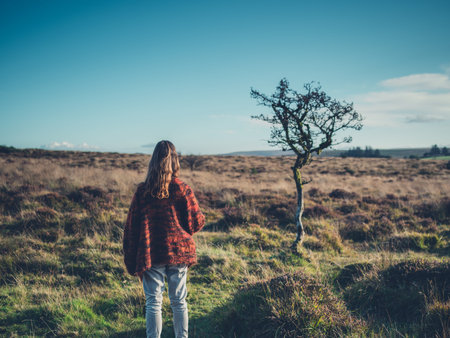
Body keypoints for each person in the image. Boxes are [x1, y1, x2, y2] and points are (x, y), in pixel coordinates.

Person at [123, 140, 205, 338]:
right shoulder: (183, 189)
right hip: (179, 252)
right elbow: (197, 223)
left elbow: (131, 229)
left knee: (153, 302)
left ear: (153, 161)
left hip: (151, 253)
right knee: (179, 301)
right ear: (175, 161)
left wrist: (131, 258)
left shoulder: (142, 192)